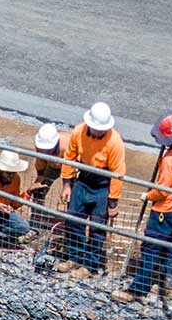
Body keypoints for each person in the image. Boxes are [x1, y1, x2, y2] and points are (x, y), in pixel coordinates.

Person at [114, 112, 172, 304]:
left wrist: (148, 195)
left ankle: (138, 289)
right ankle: (170, 285)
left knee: (150, 249)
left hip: (163, 210)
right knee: (169, 247)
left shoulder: (169, 160)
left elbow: (162, 191)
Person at [53, 102, 125, 278]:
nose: (98, 131)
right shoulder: (78, 132)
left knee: (97, 227)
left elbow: (118, 173)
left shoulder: (114, 142)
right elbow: (69, 157)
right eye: (95, 128)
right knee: (73, 220)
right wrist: (66, 184)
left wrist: (113, 202)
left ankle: (90, 265)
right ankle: (75, 256)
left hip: (102, 185)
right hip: (83, 179)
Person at [26, 124, 66, 272]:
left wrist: (67, 186)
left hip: (71, 167)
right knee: (39, 191)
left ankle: (69, 233)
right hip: (53, 165)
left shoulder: (67, 145)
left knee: (73, 198)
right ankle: (35, 226)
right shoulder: (41, 147)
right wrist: (39, 181)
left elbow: (75, 167)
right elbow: (41, 167)